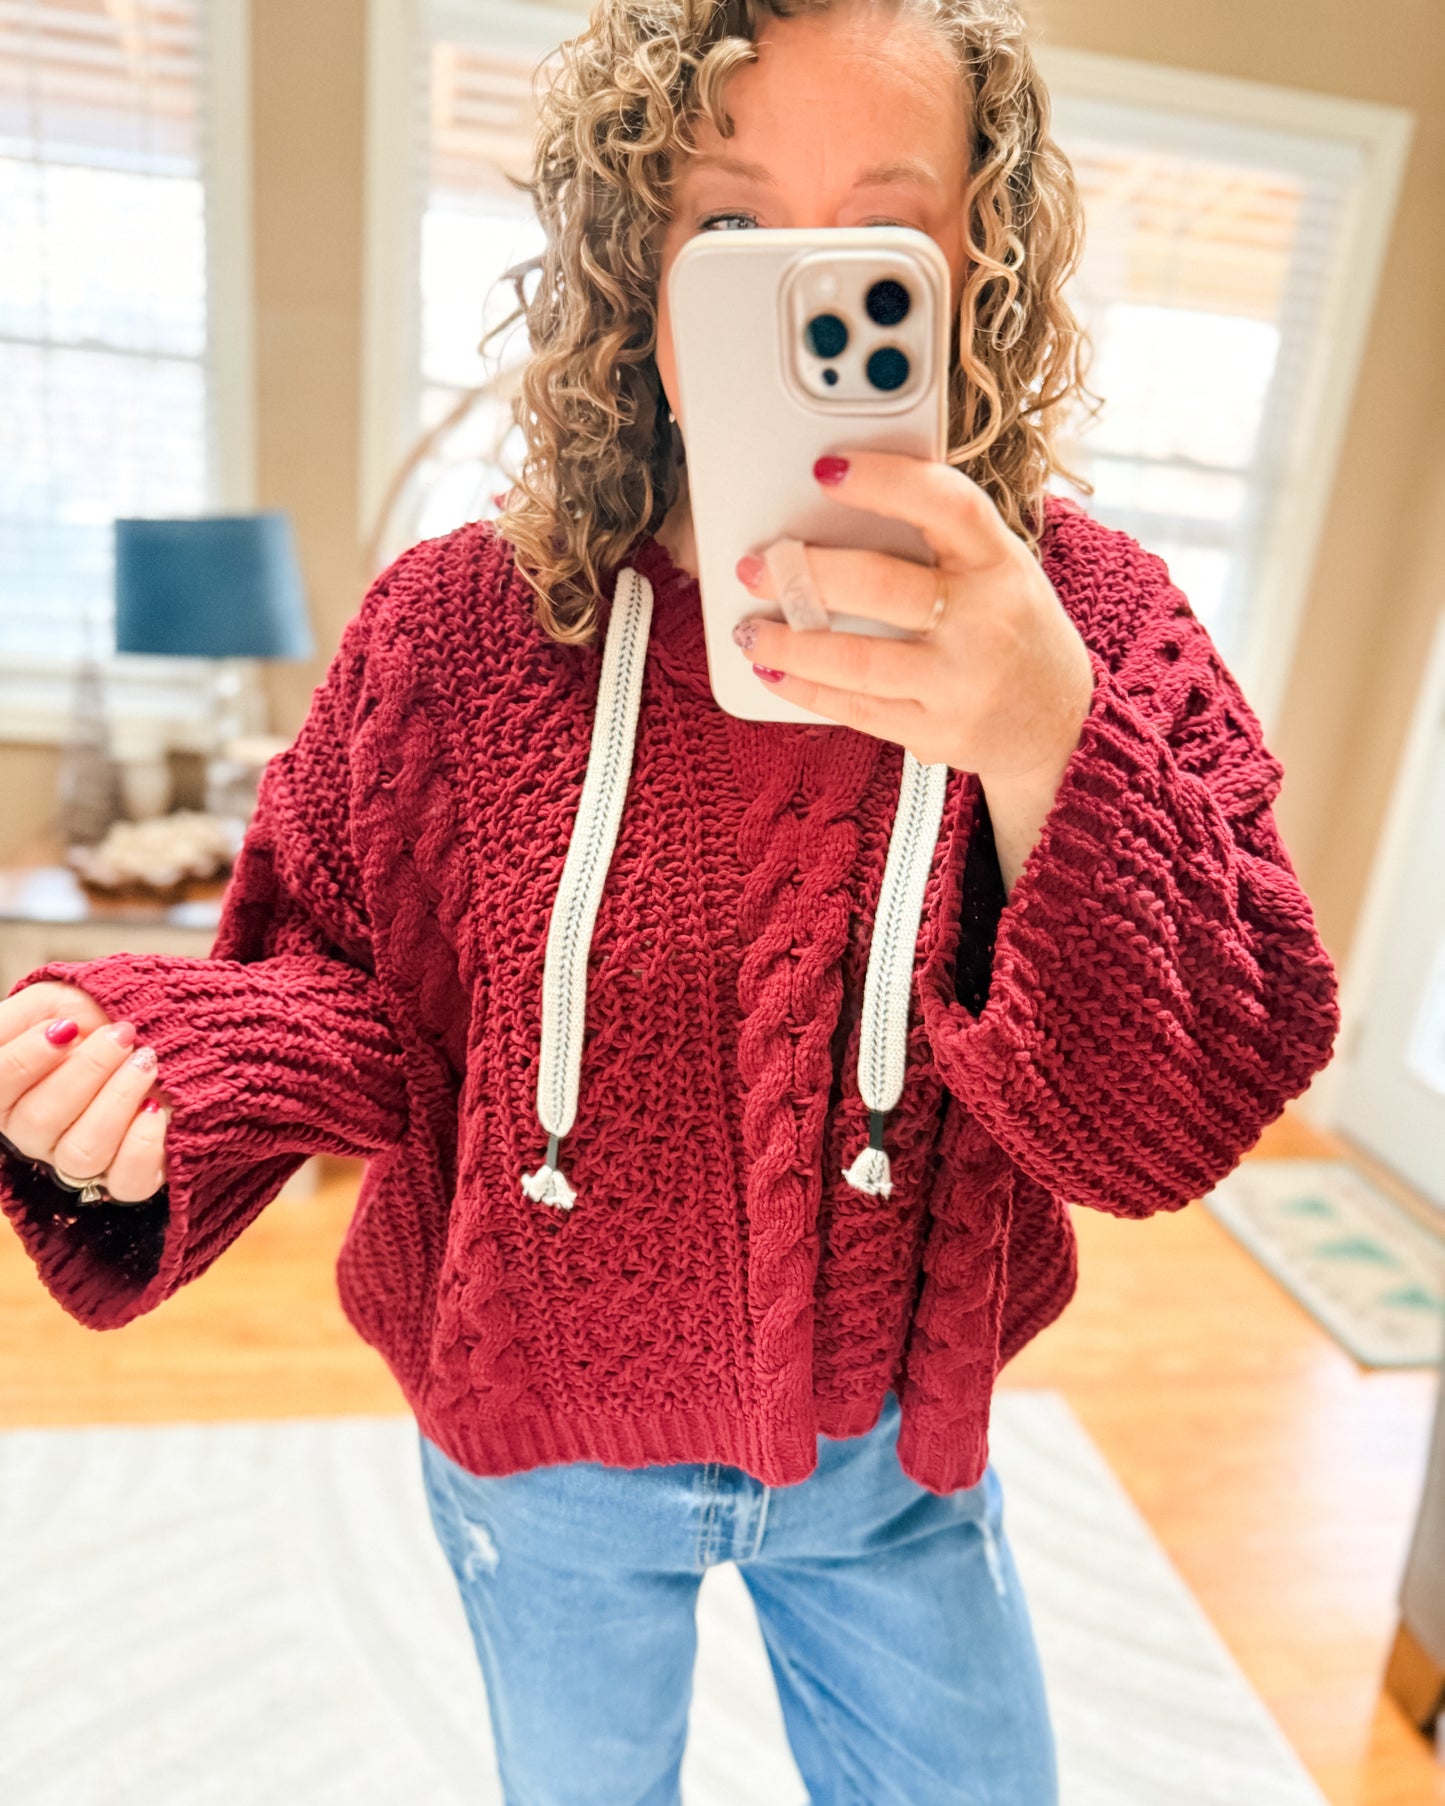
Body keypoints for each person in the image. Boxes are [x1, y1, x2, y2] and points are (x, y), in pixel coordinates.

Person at [0, 2, 1341, 1802]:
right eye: (727, 225)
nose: (795, 283)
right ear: (636, 265)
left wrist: (1045, 739)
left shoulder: (1087, 627)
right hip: (533, 1436)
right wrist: (173, 1065)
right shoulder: (459, 628)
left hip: (893, 1453)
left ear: (975, 254)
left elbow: (1189, 1099)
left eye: (876, 223)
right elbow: (367, 994)